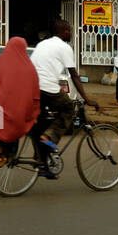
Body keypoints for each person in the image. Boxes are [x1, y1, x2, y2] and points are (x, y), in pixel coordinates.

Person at [31, 20, 100, 174]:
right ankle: (50, 138)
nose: (70, 33)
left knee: (40, 121)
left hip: (31, 87)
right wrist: (87, 99)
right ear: (63, 32)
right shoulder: (64, 47)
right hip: (47, 87)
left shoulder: (42, 44)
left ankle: (42, 161)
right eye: (68, 30)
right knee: (68, 108)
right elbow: (74, 76)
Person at [0, 36, 40, 150]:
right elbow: (35, 94)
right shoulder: (29, 67)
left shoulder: (0, 62)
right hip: (21, 111)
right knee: (36, 127)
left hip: (0, 109)